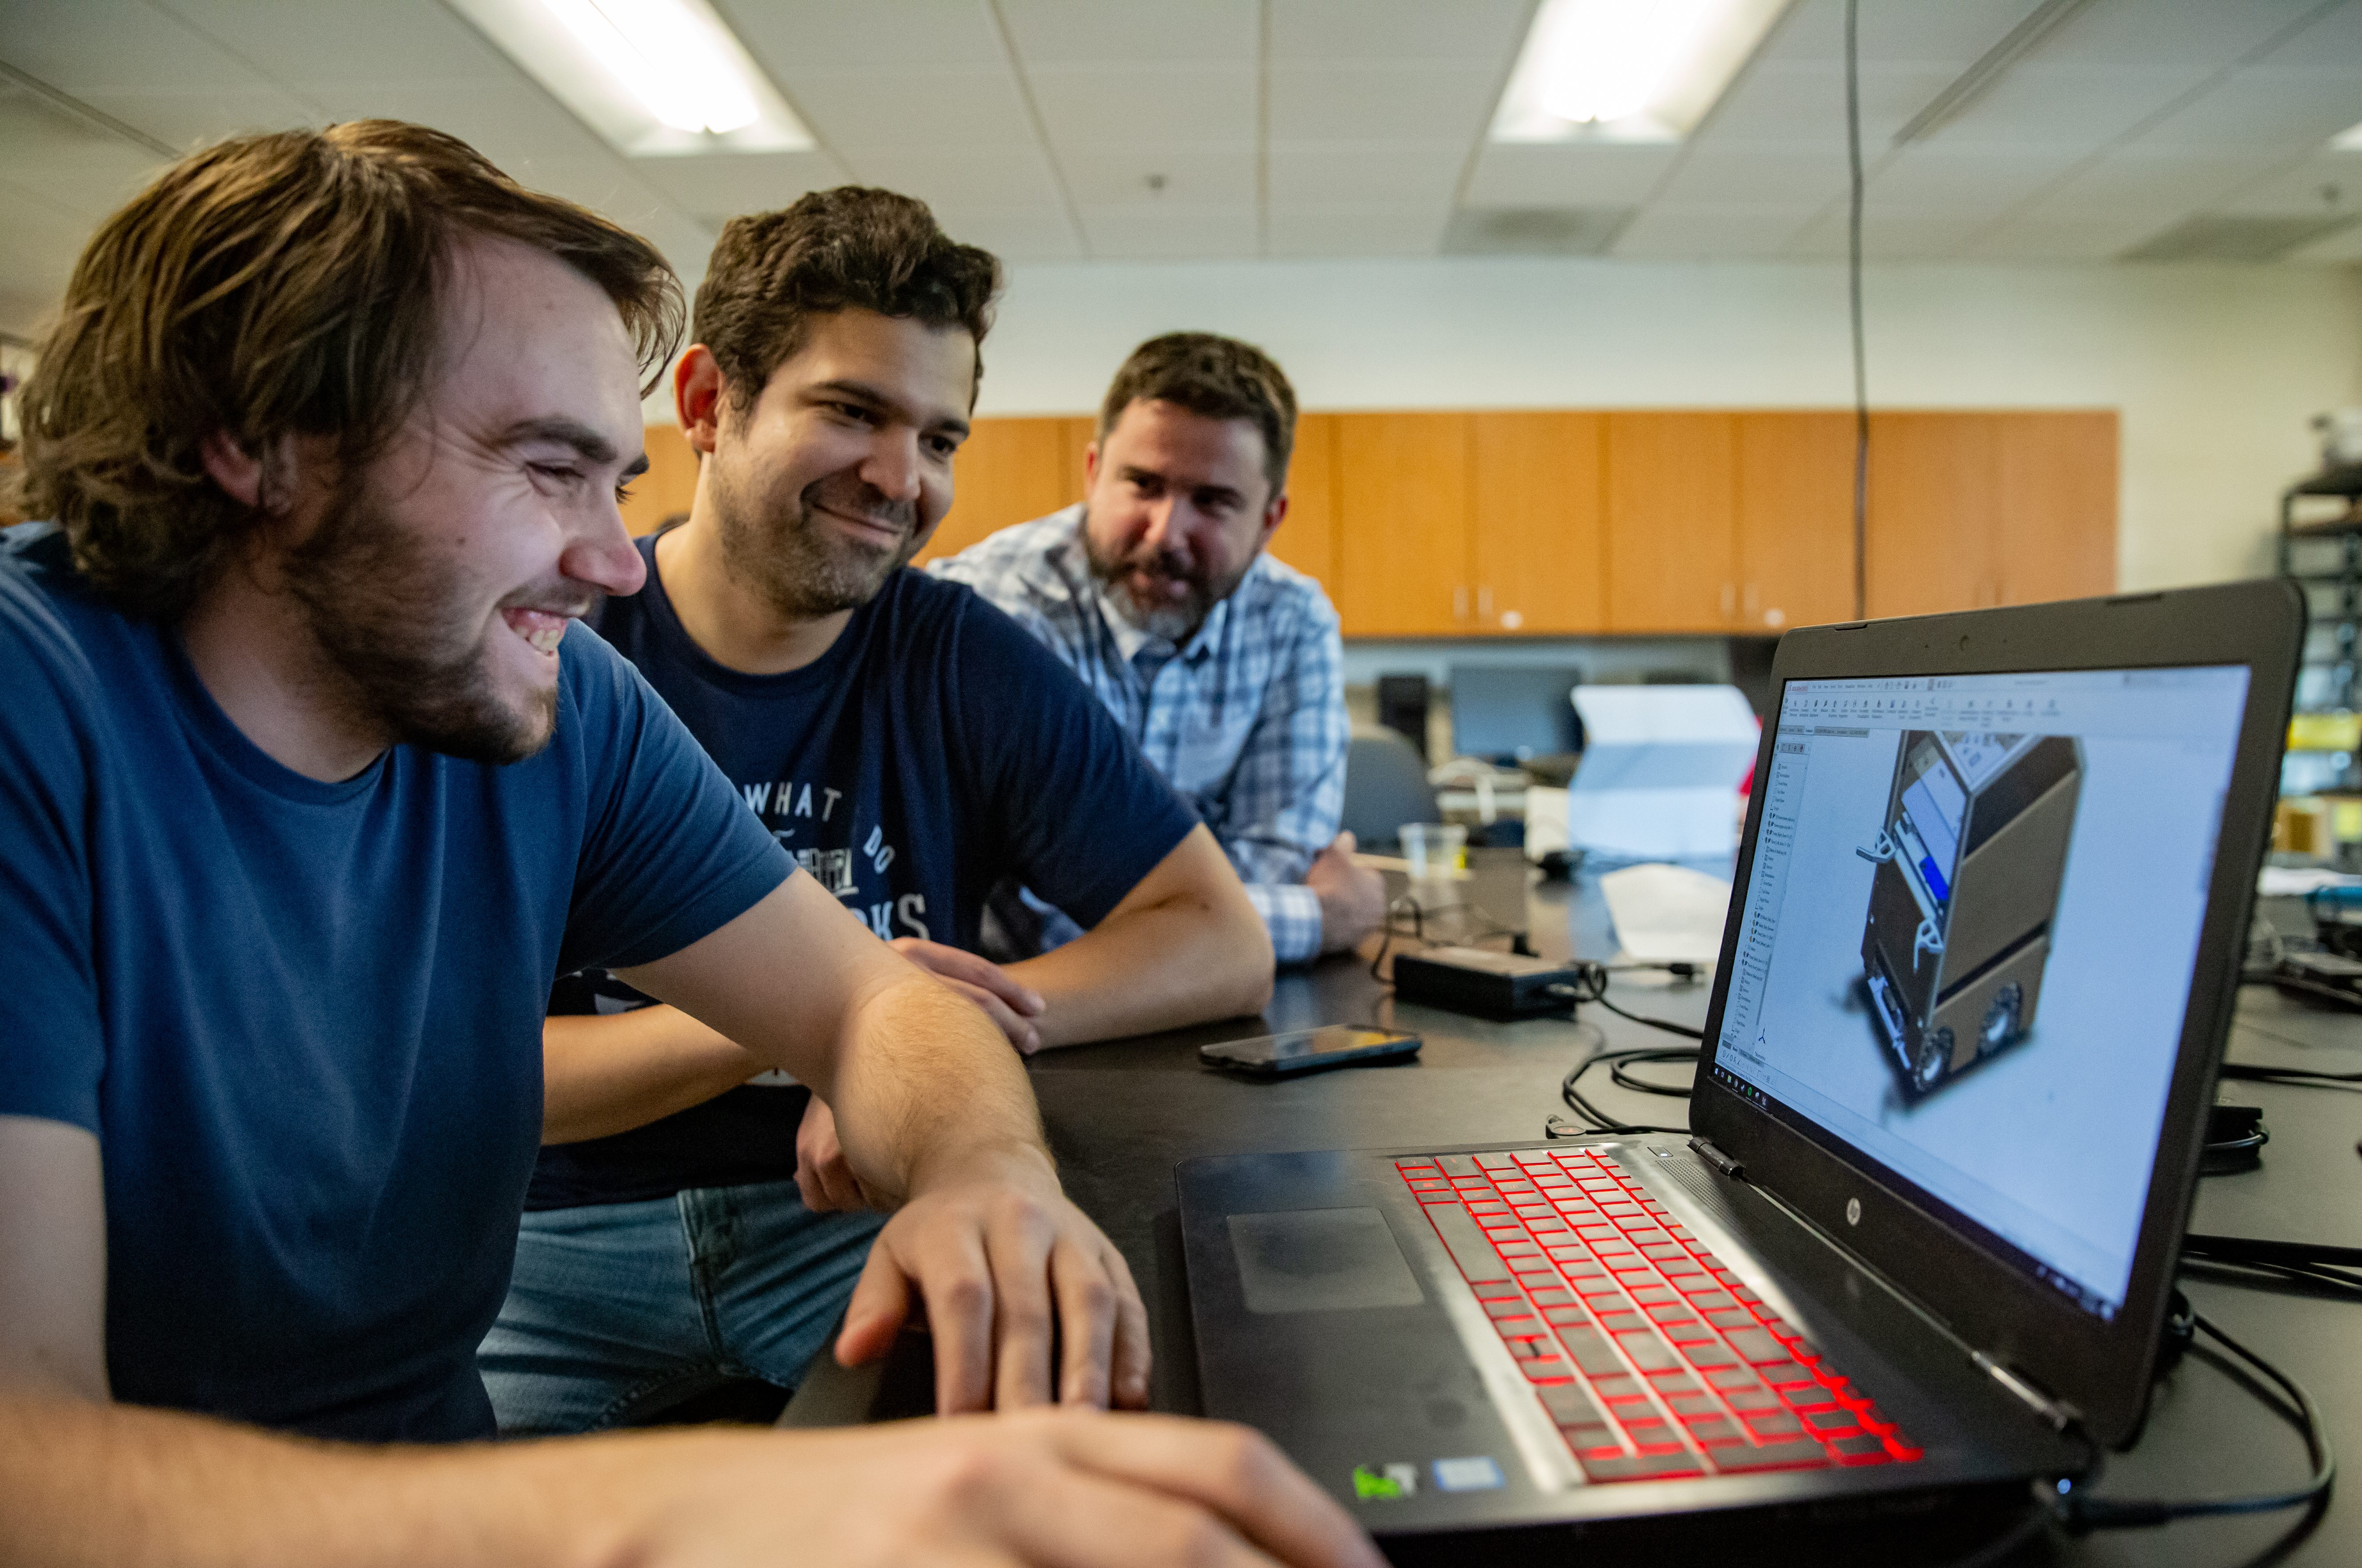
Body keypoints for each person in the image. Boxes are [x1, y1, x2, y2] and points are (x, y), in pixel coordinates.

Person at [0, 120, 1372, 1568]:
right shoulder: (38, 705)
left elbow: (871, 995)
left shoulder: (558, 694)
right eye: (547, 467)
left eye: (613, 479)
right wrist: (689, 1505)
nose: (608, 558)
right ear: (260, 440)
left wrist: (985, 1171)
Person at [484, 188, 1274, 1434]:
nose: (901, 479)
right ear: (705, 404)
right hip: (554, 1239)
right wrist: (836, 1014)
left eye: (942, 437)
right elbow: (472, 1074)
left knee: (1112, 1432)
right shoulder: (557, 652)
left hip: (847, 1221)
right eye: (851, 411)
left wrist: (933, 1026)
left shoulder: (958, 658)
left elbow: (1217, 936)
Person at [933, 333, 1388, 966]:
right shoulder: (990, 609)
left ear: (1268, 521)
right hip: (1031, 1016)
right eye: (1143, 484)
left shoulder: (1293, 621)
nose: (1166, 533)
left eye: (1212, 501)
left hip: (1232, 1008)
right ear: (1094, 474)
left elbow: (1278, 859)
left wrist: (1197, 929)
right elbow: (1046, 918)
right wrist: (1317, 918)